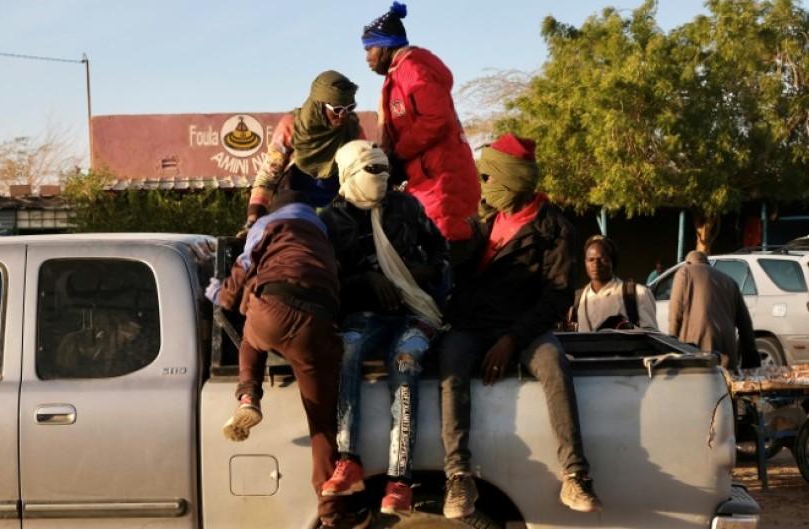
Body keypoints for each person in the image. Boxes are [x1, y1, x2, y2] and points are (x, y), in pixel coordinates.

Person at [437, 133, 602, 519]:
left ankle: (576, 473)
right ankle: (458, 476)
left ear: (511, 179)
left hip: (523, 324)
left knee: (554, 365)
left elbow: (558, 296)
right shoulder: (483, 217)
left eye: (490, 178)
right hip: (472, 323)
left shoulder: (555, 229)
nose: (485, 186)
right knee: (450, 361)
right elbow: (454, 266)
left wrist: (512, 339)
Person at [205, 190, 370, 529]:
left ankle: (249, 395)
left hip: (272, 310)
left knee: (251, 336)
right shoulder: (324, 236)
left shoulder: (266, 226)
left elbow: (240, 274)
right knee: (322, 423)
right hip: (317, 324)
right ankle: (331, 512)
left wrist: (216, 292)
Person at [318, 140, 449, 515]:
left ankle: (400, 479)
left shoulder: (405, 206)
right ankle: (348, 459)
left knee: (405, 362)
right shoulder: (331, 220)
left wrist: (427, 272)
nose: (381, 176)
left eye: (383, 169)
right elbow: (329, 281)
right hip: (364, 316)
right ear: (347, 174)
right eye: (370, 170)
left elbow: (440, 249)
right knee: (348, 350)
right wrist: (364, 281)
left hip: (415, 312)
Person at [360, 2, 481, 265]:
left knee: (444, 266)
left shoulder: (413, 69)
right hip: (429, 182)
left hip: (441, 184)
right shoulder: (398, 74)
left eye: (370, 48)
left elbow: (436, 119)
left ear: (386, 45)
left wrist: (399, 155)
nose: (367, 56)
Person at [239, 70, 364, 236]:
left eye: (350, 108)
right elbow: (269, 175)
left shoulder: (353, 130)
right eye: (337, 109)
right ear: (319, 105)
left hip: (338, 202)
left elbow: (362, 173)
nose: (344, 115)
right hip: (294, 200)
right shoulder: (292, 126)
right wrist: (254, 218)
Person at [668, 250, 760, 370]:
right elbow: (745, 324)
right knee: (725, 383)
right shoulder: (730, 281)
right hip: (727, 346)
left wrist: (671, 343)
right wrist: (750, 354)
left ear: (688, 263)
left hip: (696, 344)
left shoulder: (684, 272)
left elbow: (675, 312)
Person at [572, 235, 658, 332]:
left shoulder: (638, 294)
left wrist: (624, 327)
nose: (596, 264)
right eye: (591, 259)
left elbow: (652, 336)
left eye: (602, 259)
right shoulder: (579, 298)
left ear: (612, 261)